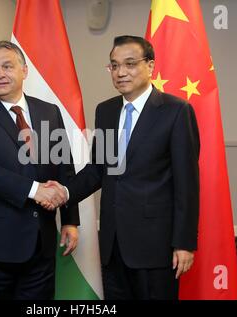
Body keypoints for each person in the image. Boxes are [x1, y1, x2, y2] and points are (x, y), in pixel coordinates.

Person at [44, 35, 200, 300]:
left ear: (150, 66)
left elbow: (187, 184)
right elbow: (97, 170)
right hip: (113, 244)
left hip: (155, 244)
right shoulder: (105, 111)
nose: (120, 72)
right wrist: (65, 192)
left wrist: (184, 243)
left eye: (129, 63)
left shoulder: (176, 111)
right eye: (114, 65)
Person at [0, 40, 79, 300]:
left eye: (7, 66)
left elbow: (64, 166)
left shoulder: (49, 111)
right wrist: (36, 191)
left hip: (40, 244)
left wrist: (69, 219)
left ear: (24, 70)